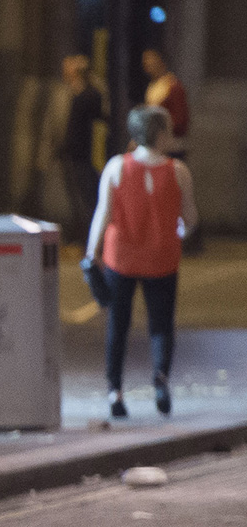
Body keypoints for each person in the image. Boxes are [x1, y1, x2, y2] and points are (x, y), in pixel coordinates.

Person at [85, 105, 197, 419]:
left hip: (121, 258)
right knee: (161, 325)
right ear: (160, 134)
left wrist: (91, 254)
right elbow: (189, 219)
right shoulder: (178, 171)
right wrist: (178, 232)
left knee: (118, 326)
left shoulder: (116, 167)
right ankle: (160, 378)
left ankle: (115, 393)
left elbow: (102, 215)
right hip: (163, 259)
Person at [60, 54, 106, 243]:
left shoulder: (89, 94)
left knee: (87, 197)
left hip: (83, 153)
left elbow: (99, 108)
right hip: (69, 151)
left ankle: (89, 237)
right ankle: (81, 235)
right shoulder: (69, 93)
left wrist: (88, 77)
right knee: (76, 197)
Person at [142, 49, 189, 159]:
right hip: (154, 147)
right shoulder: (153, 86)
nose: (147, 64)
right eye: (145, 61)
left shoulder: (173, 87)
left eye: (151, 60)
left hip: (170, 147)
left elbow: (180, 120)